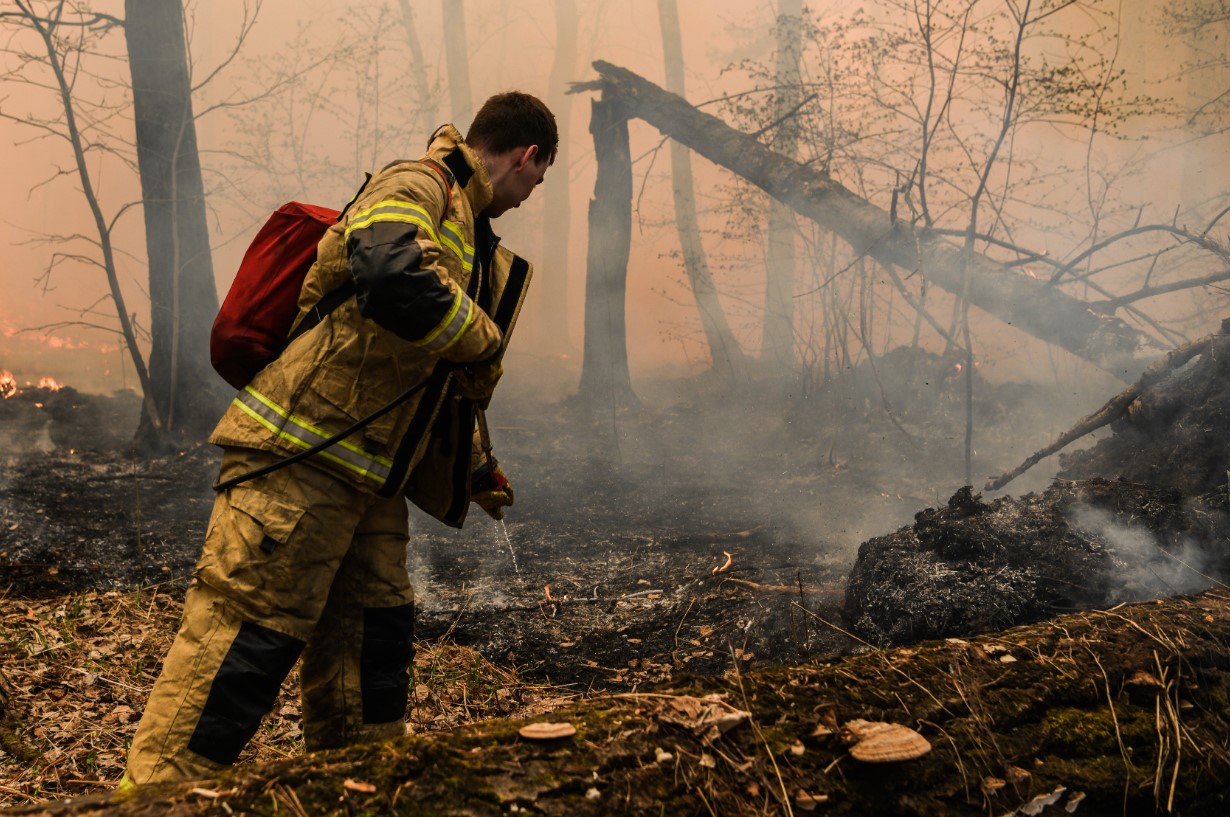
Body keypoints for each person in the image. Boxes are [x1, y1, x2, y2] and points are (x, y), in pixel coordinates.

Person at [123, 92, 557, 786]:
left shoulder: (470, 235)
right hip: (299, 465)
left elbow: (419, 374)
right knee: (241, 647)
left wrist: (473, 465)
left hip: (369, 482)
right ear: (526, 156)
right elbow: (389, 275)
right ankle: (153, 802)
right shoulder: (417, 184)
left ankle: (356, 794)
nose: (532, 194)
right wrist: (484, 336)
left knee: (371, 656)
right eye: (539, 180)